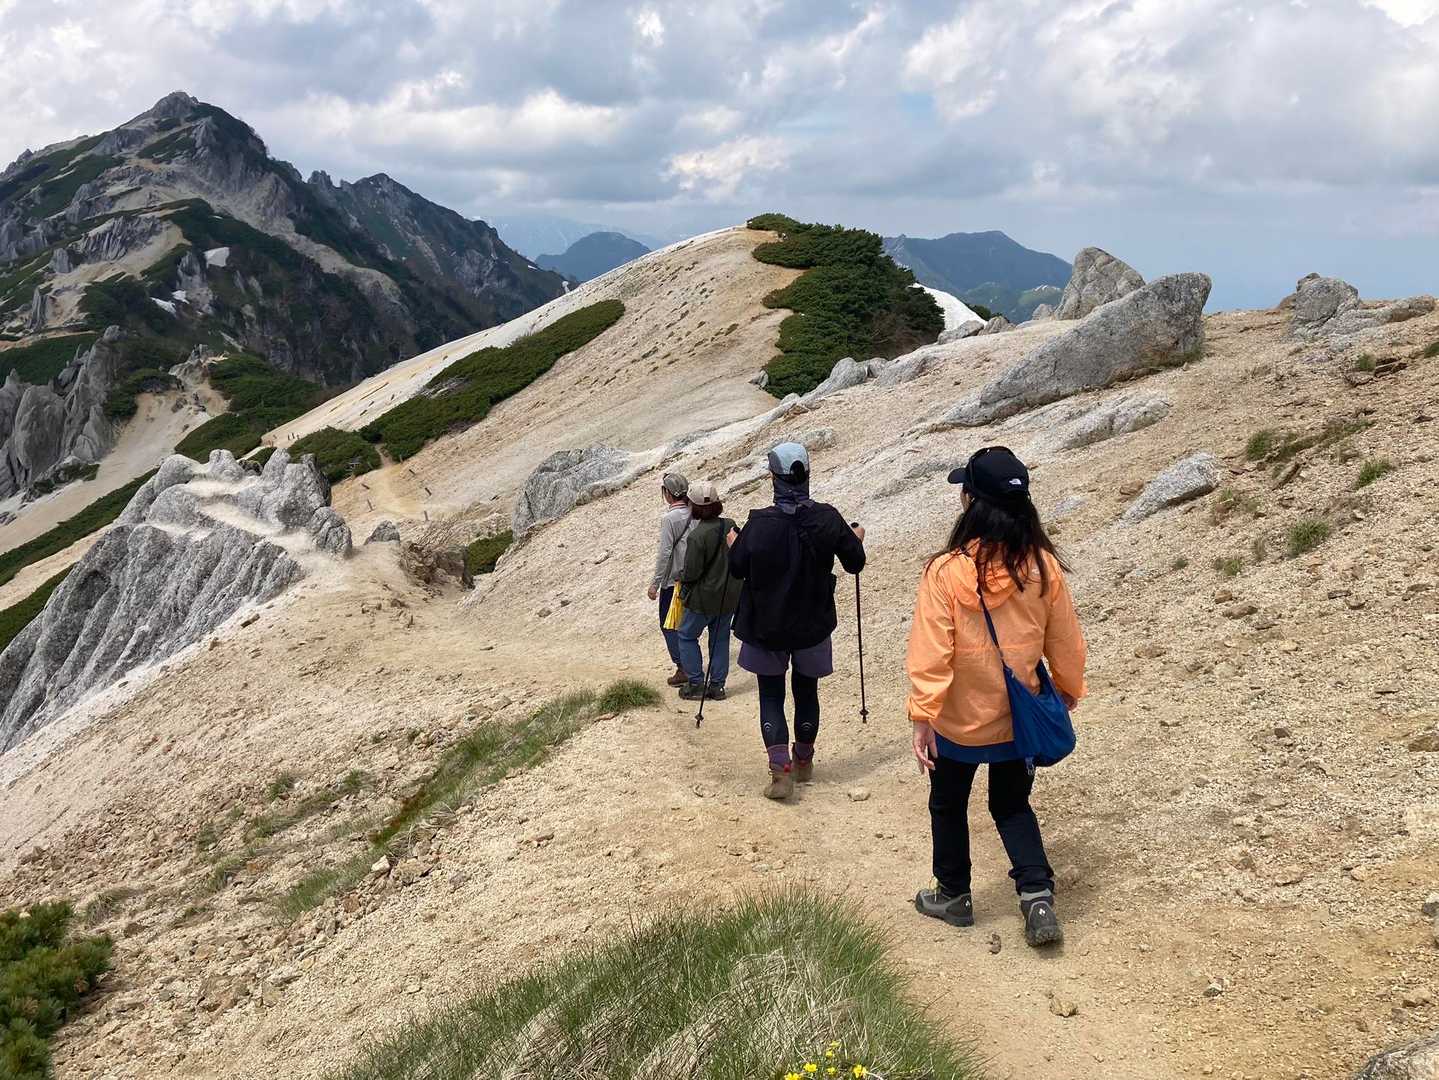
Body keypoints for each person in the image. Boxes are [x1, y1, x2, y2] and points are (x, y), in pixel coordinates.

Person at [905, 446, 1087, 948]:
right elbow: (1065, 639)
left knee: (947, 803)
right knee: (1011, 804)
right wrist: (1067, 688)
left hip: (958, 719)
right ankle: (1037, 896)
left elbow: (932, 650)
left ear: (972, 501)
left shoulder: (945, 571)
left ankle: (954, 895)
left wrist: (923, 714)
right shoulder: (1043, 566)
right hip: (1018, 715)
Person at [728, 442, 866, 800]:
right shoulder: (828, 518)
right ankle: (803, 761)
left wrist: (734, 543)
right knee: (807, 691)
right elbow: (855, 563)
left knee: (771, 694)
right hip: (812, 625)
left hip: (766, 626)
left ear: (773, 478)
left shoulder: (759, 524)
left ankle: (780, 773)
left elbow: (736, 568)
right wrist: (856, 539)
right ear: (807, 475)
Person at [673, 481, 741, 701]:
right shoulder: (729, 524)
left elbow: (692, 572)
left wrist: (680, 577)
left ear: (694, 506)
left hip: (703, 599)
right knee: (720, 639)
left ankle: (696, 683)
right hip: (728, 595)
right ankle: (718, 686)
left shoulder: (697, 536)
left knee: (686, 636)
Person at [647, 472, 693, 688]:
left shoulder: (669, 519)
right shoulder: (695, 511)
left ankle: (683, 667)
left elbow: (665, 553)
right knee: (687, 624)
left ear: (668, 493)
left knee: (668, 625)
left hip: (673, 581)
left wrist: (654, 584)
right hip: (693, 576)